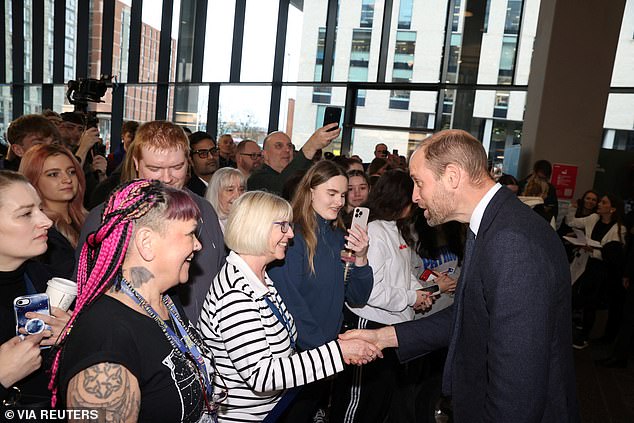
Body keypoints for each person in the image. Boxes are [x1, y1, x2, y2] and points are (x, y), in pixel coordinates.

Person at [340, 129, 580, 422]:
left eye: (418, 182)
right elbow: (469, 314)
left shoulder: (511, 242)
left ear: (452, 176)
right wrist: (383, 337)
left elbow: (518, 385)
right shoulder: (495, 224)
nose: (415, 197)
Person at [198, 191, 381, 422]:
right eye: (283, 226)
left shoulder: (259, 279)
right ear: (257, 228)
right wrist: (338, 352)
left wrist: (340, 346)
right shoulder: (235, 293)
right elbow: (262, 376)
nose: (291, 234)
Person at [51, 180, 218, 421]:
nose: (198, 245)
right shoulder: (106, 340)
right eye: (191, 233)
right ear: (146, 243)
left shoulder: (165, 300)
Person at [76, 120, 225, 322]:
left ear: (188, 162)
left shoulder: (205, 210)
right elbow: (88, 289)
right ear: (136, 163)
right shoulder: (107, 217)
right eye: (155, 168)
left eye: (177, 167)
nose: (167, 178)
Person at [268, 160, 374, 422]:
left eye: (342, 194)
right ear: (311, 190)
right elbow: (290, 304)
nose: (339, 201)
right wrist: (327, 352)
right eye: (332, 193)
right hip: (299, 358)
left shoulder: (337, 234)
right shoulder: (291, 237)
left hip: (324, 356)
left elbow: (357, 297)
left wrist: (361, 258)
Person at [330, 170, 432, 422]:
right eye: (413, 193)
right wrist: (411, 298)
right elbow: (370, 292)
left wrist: (419, 293)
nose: (418, 199)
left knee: (379, 402)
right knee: (358, 403)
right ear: (400, 198)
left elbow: (404, 272)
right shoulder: (374, 231)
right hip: (370, 323)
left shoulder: (395, 229)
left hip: (392, 325)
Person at [0, 170, 71, 409]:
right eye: (26, 214)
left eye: (40, 209)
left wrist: (71, 336)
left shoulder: (42, 279)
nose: (46, 222)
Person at [567, 193, 627, 348]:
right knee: (576, 295)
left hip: (601, 270)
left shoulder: (618, 229)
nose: (599, 204)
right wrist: (571, 208)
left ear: (612, 209)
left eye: (604, 202)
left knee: (591, 303)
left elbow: (613, 256)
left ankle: (584, 337)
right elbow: (571, 221)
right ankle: (572, 330)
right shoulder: (594, 218)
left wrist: (593, 250)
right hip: (586, 264)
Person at [19, 144, 88, 279]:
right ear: (33, 181)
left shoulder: (88, 219)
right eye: (53, 174)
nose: (67, 179)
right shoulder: (42, 232)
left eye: (71, 172)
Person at [247, 124, 340, 195]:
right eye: (279, 146)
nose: (287, 150)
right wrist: (311, 146)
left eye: (290, 146)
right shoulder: (257, 179)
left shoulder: (302, 175)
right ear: (264, 154)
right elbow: (280, 188)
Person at [204, 167, 246, 233]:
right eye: (230, 190)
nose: (238, 196)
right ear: (216, 193)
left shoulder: (249, 221)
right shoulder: (207, 226)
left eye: (241, 189)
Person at [187, 131, 219, 197]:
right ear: (190, 159)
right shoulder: (189, 193)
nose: (211, 157)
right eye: (203, 153)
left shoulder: (227, 182)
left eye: (213, 151)